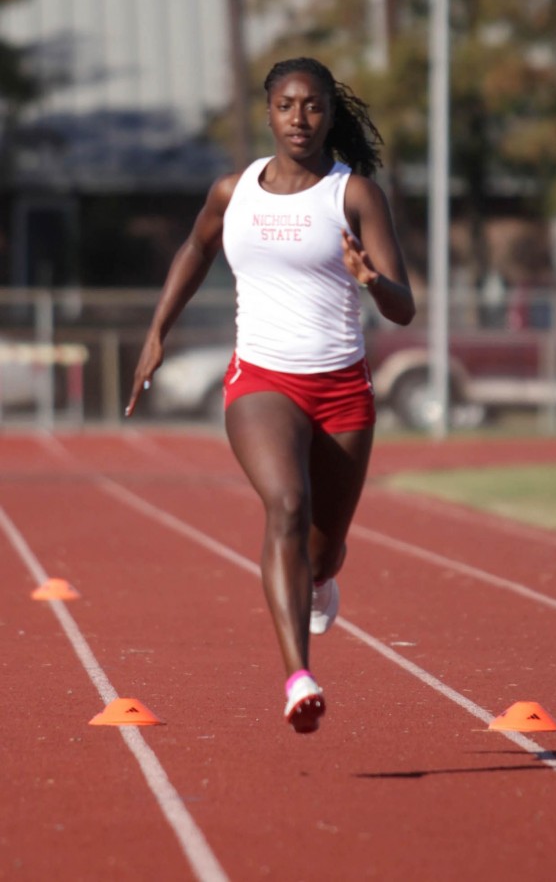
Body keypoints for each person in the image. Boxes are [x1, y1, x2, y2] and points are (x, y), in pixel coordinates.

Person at [126, 56, 415, 734]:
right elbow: (195, 250)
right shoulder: (235, 192)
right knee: (285, 504)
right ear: (267, 111)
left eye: (312, 106)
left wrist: (371, 280)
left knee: (323, 549)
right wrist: (156, 331)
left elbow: (403, 309)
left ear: (329, 114)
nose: (299, 118)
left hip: (342, 387)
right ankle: (298, 676)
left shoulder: (354, 196)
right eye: (286, 105)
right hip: (261, 379)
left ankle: (317, 578)